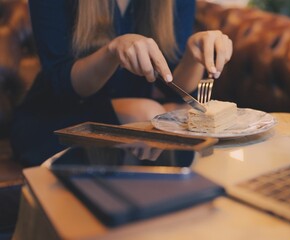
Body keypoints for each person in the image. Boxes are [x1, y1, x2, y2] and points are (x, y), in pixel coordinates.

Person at [10, 0, 233, 167]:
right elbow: (64, 84)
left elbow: (172, 88)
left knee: (168, 115)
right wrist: (111, 52)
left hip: (139, 115)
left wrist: (194, 58)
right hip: (57, 119)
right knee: (151, 114)